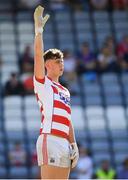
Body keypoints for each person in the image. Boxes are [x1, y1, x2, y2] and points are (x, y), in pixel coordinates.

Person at [33, 5, 79, 179]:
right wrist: (39, 31)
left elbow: (68, 120)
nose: (62, 64)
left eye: (62, 61)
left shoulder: (65, 90)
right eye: (57, 61)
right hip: (49, 139)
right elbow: (38, 55)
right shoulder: (43, 83)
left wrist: (73, 143)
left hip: (64, 143)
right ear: (48, 64)